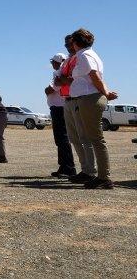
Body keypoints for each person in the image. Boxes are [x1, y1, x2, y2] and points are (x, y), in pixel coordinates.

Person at [68, 28, 118, 189]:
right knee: (94, 139)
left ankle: (104, 177)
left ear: (75, 43)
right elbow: (96, 77)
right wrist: (106, 92)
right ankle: (101, 176)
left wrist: (105, 92)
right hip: (89, 98)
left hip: (89, 99)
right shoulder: (90, 54)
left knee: (96, 139)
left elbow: (94, 76)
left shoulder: (83, 55)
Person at [56, 34, 96, 183]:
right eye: (66, 45)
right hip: (68, 99)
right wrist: (63, 80)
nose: (69, 47)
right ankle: (85, 169)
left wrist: (63, 80)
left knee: (84, 137)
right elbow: (59, 81)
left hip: (79, 99)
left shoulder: (81, 58)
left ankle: (90, 171)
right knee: (74, 138)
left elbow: (70, 79)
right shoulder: (68, 60)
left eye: (70, 44)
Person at [45, 53, 76, 177]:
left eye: (54, 61)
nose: (52, 63)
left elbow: (51, 89)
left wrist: (46, 90)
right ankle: (64, 166)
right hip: (59, 107)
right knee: (60, 139)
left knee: (62, 138)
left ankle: (68, 167)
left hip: (59, 108)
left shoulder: (59, 73)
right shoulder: (61, 72)